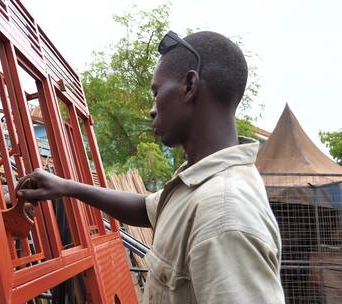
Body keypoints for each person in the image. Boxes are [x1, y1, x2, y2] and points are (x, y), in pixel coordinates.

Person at [17, 30, 285, 304]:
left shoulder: (224, 213)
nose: (152, 109)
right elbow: (145, 208)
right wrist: (66, 187)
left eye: (157, 92)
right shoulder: (199, 187)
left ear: (190, 86)